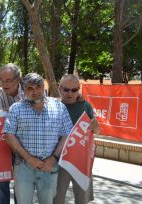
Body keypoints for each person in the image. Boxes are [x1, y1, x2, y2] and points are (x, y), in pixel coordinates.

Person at [5, 73, 73, 204]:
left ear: (44, 86)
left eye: (38, 86)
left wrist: (53, 158)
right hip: (23, 166)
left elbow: (67, 134)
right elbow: (9, 135)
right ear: (24, 90)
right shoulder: (16, 109)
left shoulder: (59, 107)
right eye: (30, 88)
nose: (35, 91)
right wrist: (29, 159)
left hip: (49, 166)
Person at [53, 74, 100, 204]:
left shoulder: (85, 106)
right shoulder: (53, 107)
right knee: (56, 198)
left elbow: (96, 130)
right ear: (59, 88)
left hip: (82, 160)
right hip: (60, 160)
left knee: (82, 199)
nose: (70, 93)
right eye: (66, 89)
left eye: (74, 90)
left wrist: (96, 126)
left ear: (78, 89)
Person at [0, 63, 23, 204]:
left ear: (18, 79)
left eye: (8, 80)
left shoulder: (28, 93)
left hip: (23, 147)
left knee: (21, 184)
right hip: (1, 146)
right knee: (1, 184)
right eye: (2, 80)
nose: (4, 84)